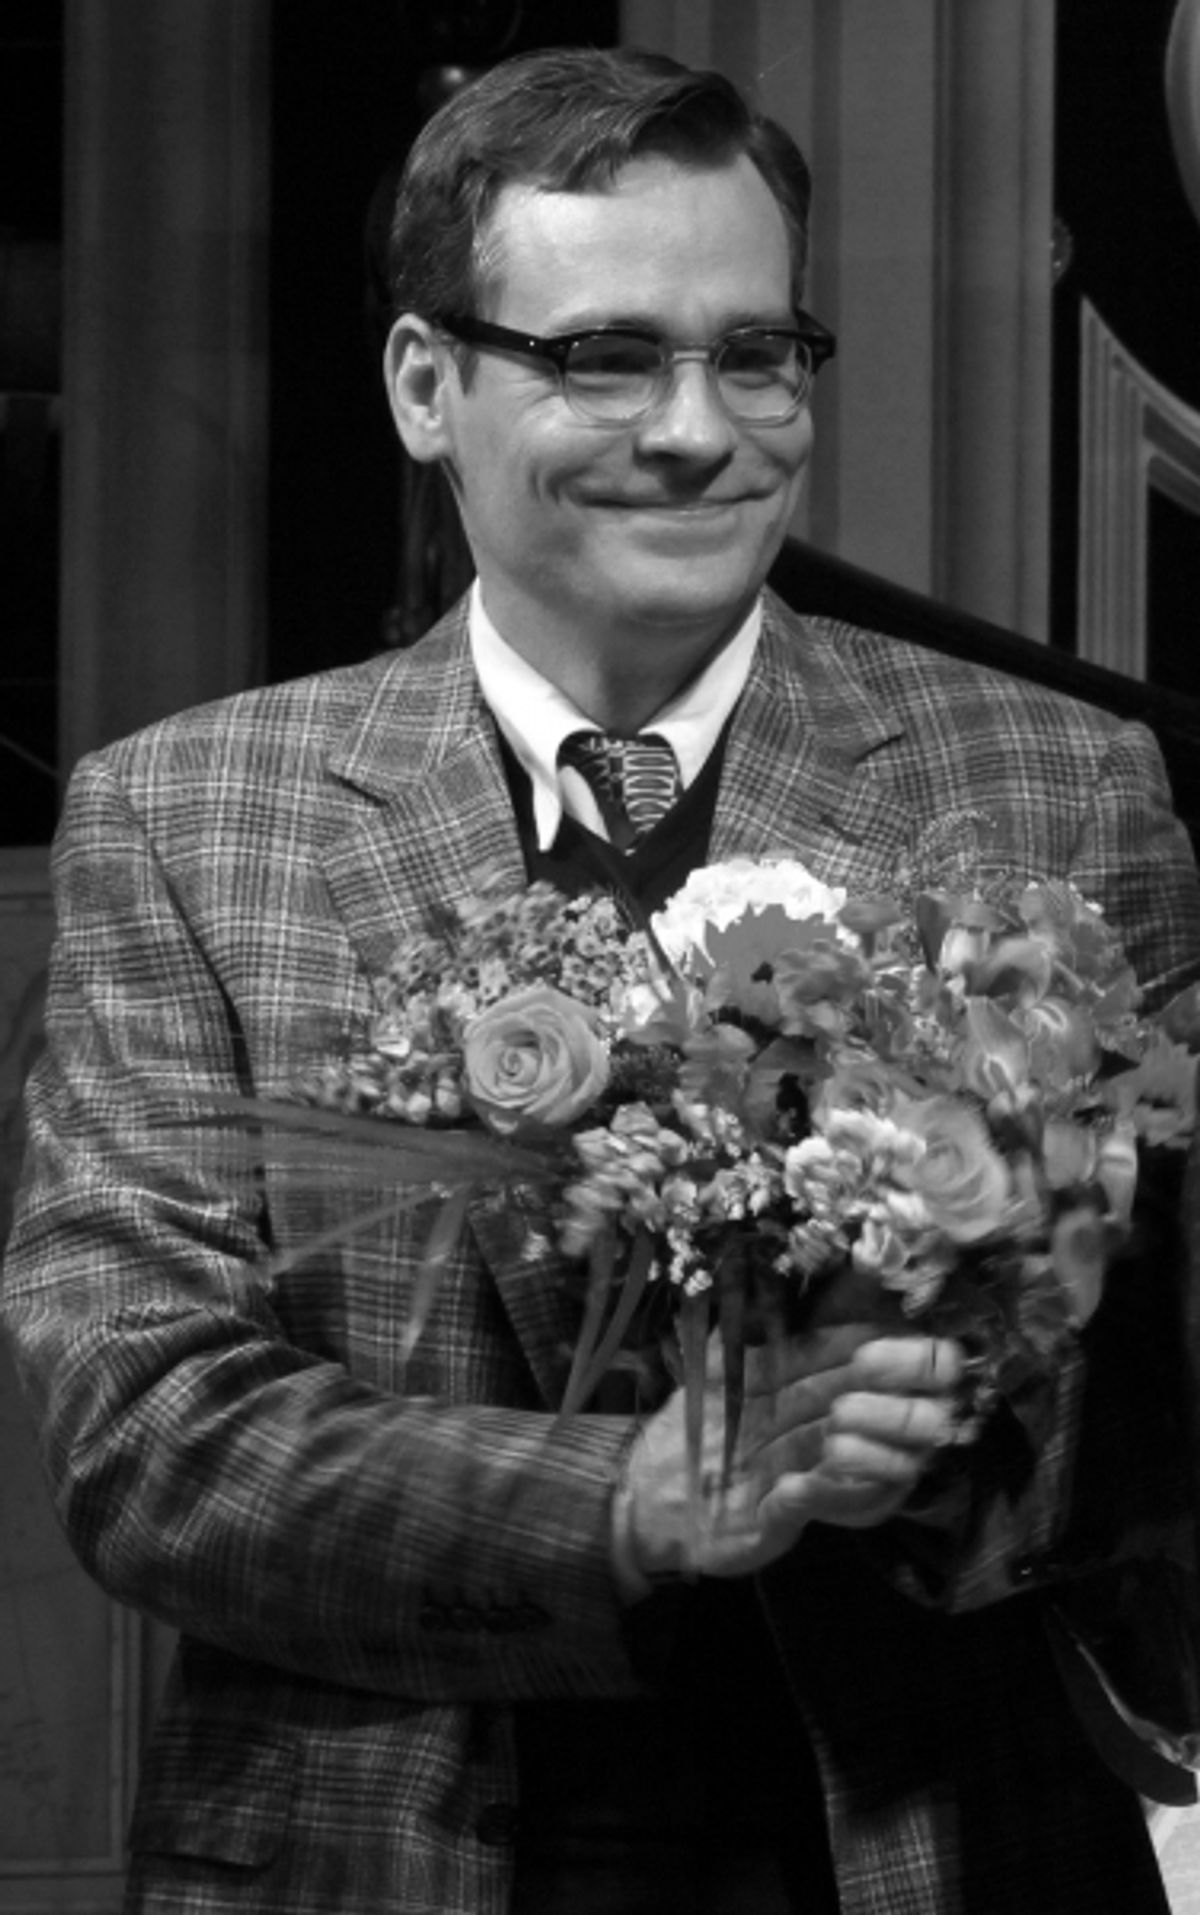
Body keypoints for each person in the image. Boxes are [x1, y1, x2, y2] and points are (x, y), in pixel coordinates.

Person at [5, 43, 1200, 1915]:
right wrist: (627, 1502)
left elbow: (1165, 1399)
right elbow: (149, 1434)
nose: (697, 428)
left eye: (755, 353)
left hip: (930, 1841)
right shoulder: (189, 820)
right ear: (426, 384)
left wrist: (961, 1447)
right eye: (605, 356)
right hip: (379, 1847)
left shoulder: (1057, 787)